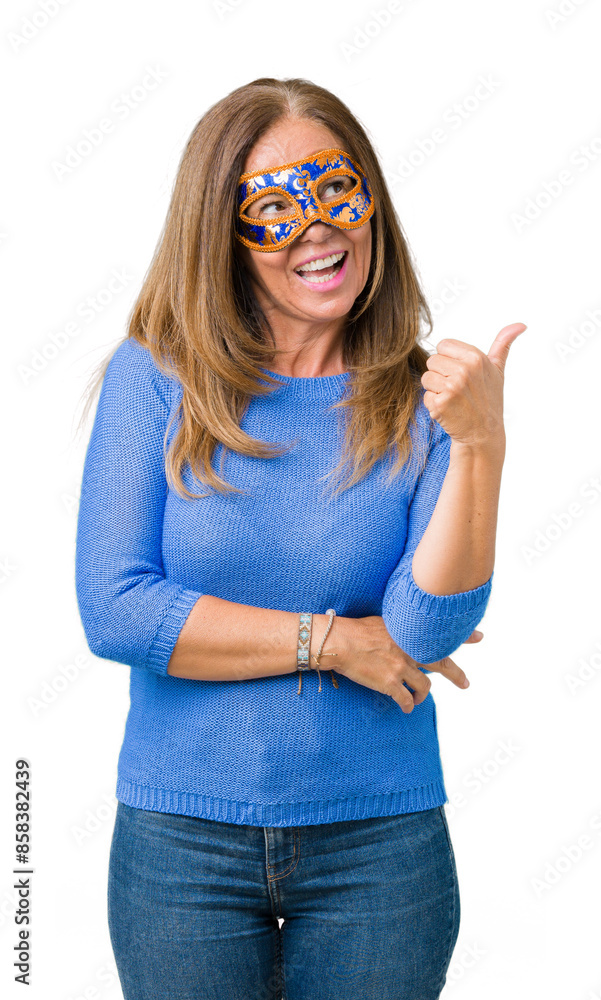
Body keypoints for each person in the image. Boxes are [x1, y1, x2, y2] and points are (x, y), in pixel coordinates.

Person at [75, 76, 524, 1000]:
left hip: (379, 847)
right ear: (221, 237)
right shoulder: (153, 379)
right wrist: (335, 641)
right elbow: (116, 610)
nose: (316, 229)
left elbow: (426, 631)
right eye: (275, 208)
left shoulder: (425, 400)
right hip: (179, 845)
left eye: (336, 191)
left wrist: (479, 442)